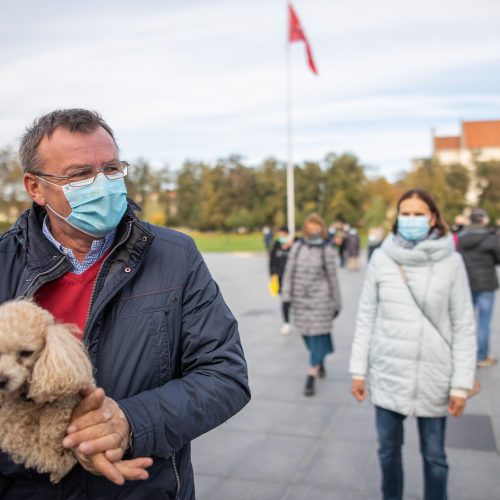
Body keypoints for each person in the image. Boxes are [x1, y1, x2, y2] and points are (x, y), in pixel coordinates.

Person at [0, 109, 250, 499]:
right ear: (35, 187)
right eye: (80, 174)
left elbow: (225, 375)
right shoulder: (3, 265)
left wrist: (129, 422)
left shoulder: (175, 255)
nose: (101, 184)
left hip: (144, 489)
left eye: (112, 169)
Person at [349, 188, 476, 500]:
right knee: (388, 452)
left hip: (433, 376)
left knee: (435, 458)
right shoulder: (381, 258)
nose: (411, 219)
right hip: (389, 371)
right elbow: (366, 316)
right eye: (405, 213)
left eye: (419, 214)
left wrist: (460, 385)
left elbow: (463, 324)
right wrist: (358, 371)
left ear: (433, 217)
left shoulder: (452, 262)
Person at [281, 214, 342, 396]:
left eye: (318, 228)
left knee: (316, 337)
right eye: (311, 227)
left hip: (320, 301)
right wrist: (286, 297)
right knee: (307, 337)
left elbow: (332, 278)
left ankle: (311, 374)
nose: (314, 231)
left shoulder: (326, 250)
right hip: (300, 302)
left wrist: (337, 303)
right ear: (305, 229)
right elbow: (288, 273)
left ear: (322, 230)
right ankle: (319, 359)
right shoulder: (297, 248)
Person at [457, 208, 500, 368]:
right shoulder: (490, 238)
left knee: (465, 321)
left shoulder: (461, 237)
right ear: (483, 220)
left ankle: (463, 356)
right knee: (483, 321)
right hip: (486, 284)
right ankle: (481, 356)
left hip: (466, 282)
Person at [269, 226, 293, 335]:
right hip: (281, 277)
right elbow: (272, 260)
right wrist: (273, 274)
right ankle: (286, 323)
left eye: (283, 234)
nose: (281, 236)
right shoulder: (276, 244)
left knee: (293, 301)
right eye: (280, 234)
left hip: (294, 278)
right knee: (285, 300)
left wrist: (291, 246)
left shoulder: (294, 244)